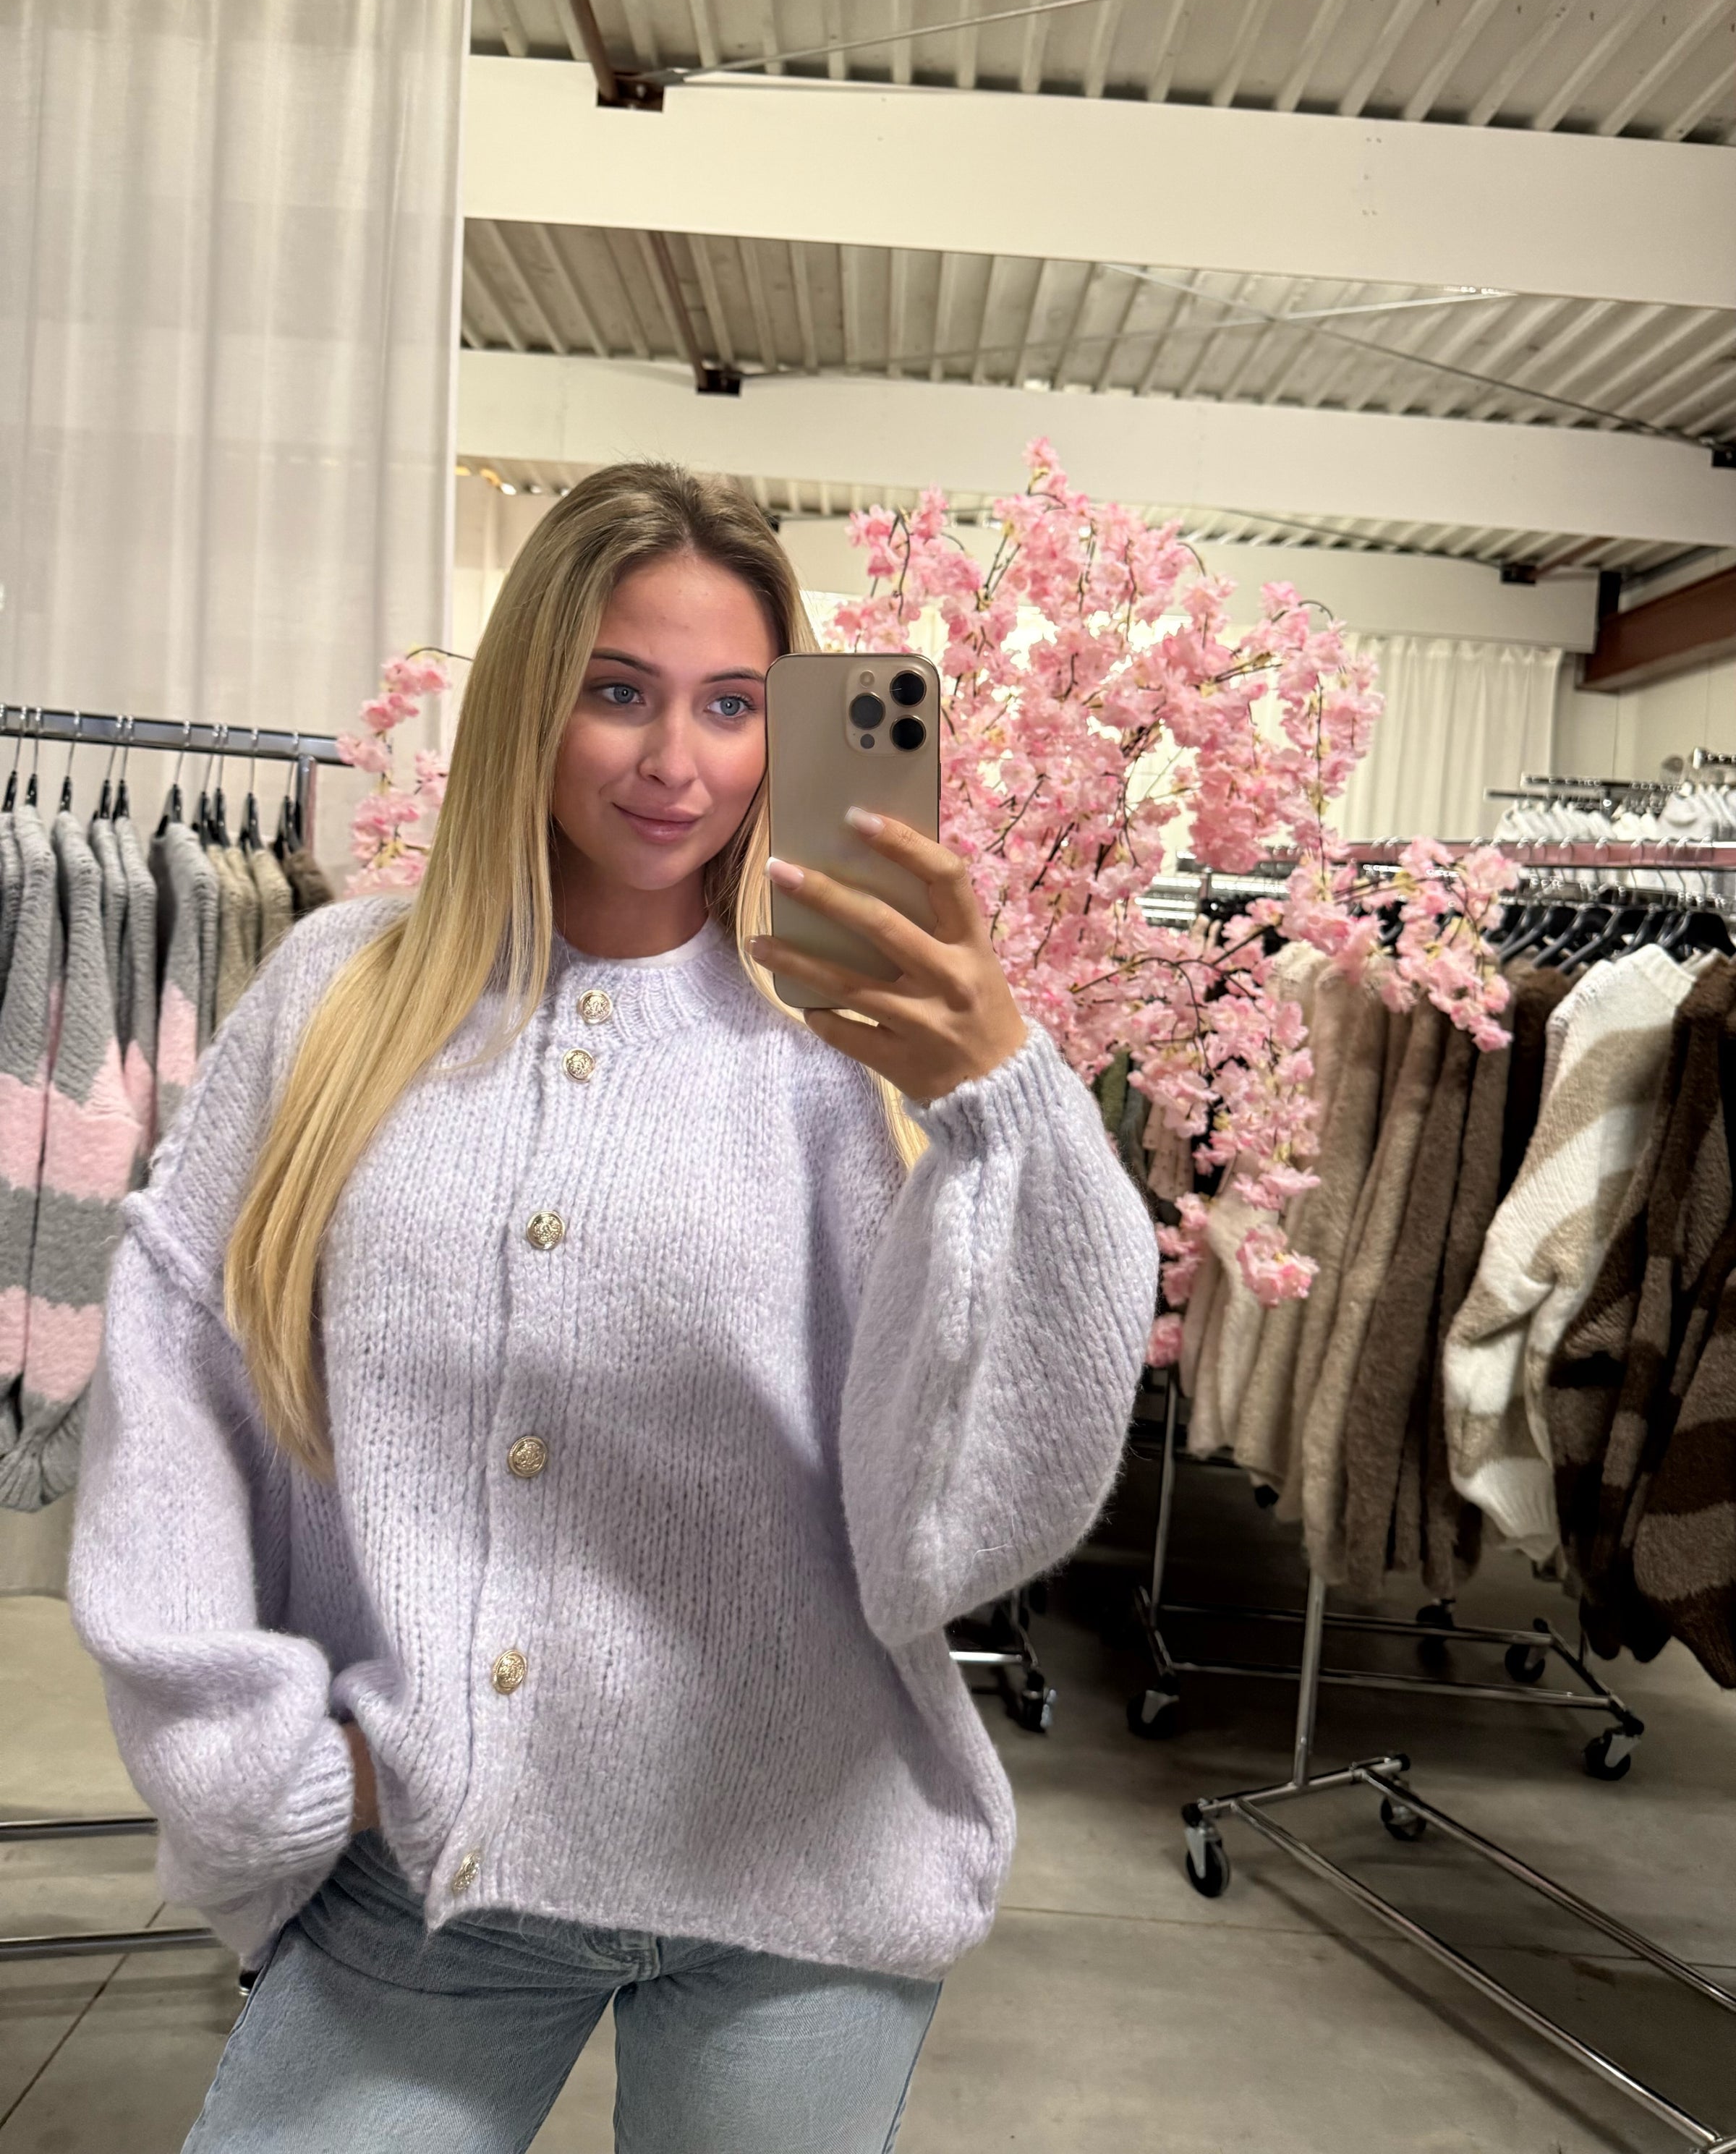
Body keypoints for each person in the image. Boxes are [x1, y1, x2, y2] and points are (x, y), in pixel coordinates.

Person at [69, 463, 1158, 2153]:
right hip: (436, 1858)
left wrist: (1004, 1099)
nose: (677, 763)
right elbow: (177, 1358)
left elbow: (968, 1513)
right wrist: (252, 1757)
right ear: (530, 697)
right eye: (620, 691)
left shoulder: (856, 1052)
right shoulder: (339, 999)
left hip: (801, 1869)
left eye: (733, 704)